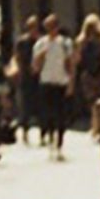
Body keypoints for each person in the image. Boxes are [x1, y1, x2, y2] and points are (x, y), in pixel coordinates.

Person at [29, 14, 74, 156]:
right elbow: (35, 67)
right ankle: (49, 138)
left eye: (53, 26)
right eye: (48, 27)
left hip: (61, 81)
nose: (51, 29)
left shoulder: (65, 43)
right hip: (46, 81)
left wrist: (71, 83)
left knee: (61, 115)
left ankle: (60, 143)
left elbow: (70, 64)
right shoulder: (41, 44)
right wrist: (40, 56)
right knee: (48, 113)